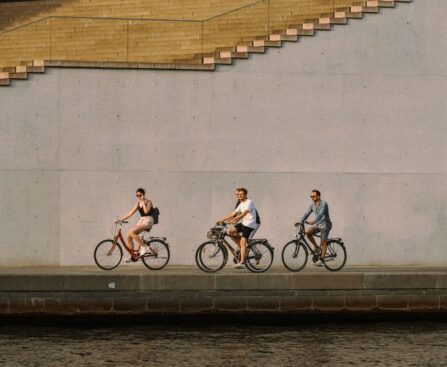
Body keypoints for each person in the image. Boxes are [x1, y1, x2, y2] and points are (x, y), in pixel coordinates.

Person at [218, 188, 259, 269]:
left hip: (251, 224)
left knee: (243, 242)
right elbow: (233, 213)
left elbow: (244, 213)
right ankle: (241, 247)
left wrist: (234, 219)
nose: (238, 196)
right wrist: (222, 219)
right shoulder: (241, 203)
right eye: (237, 194)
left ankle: (242, 262)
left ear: (245, 194)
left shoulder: (249, 202)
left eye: (241, 194)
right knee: (230, 231)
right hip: (244, 223)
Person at [297, 190, 332, 266]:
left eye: (313, 196)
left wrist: (314, 221)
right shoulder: (312, 205)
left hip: (325, 224)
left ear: (318, 196)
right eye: (311, 196)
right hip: (318, 224)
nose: (312, 198)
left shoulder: (324, 204)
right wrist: (300, 222)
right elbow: (306, 214)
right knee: (307, 232)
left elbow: (320, 214)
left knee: (323, 242)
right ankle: (316, 247)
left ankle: (322, 260)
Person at [119, 188, 154, 262]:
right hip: (142, 221)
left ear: (143, 194)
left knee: (131, 231)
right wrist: (121, 219)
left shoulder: (148, 201)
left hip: (148, 220)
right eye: (137, 195)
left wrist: (143, 201)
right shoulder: (138, 204)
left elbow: (146, 211)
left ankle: (144, 247)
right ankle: (133, 256)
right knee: (129, 236)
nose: (138, 197)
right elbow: (130, 213)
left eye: (139, 195)